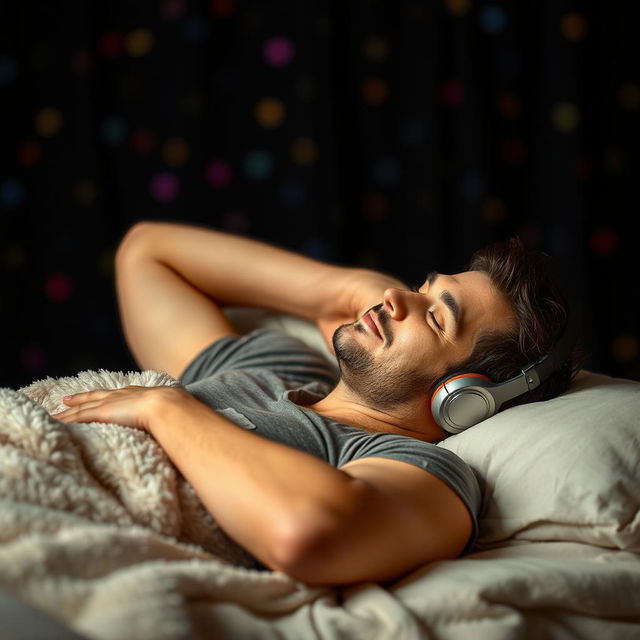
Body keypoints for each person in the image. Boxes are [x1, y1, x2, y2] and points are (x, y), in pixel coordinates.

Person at [53, 221, 576, 586]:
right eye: (421, 288)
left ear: (464, 400)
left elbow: (308, 534)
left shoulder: (424, 472)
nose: (397, 300)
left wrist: (167, 410)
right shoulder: (279, 365)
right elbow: (148, 252)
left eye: (437, 318)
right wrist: (348, 287)